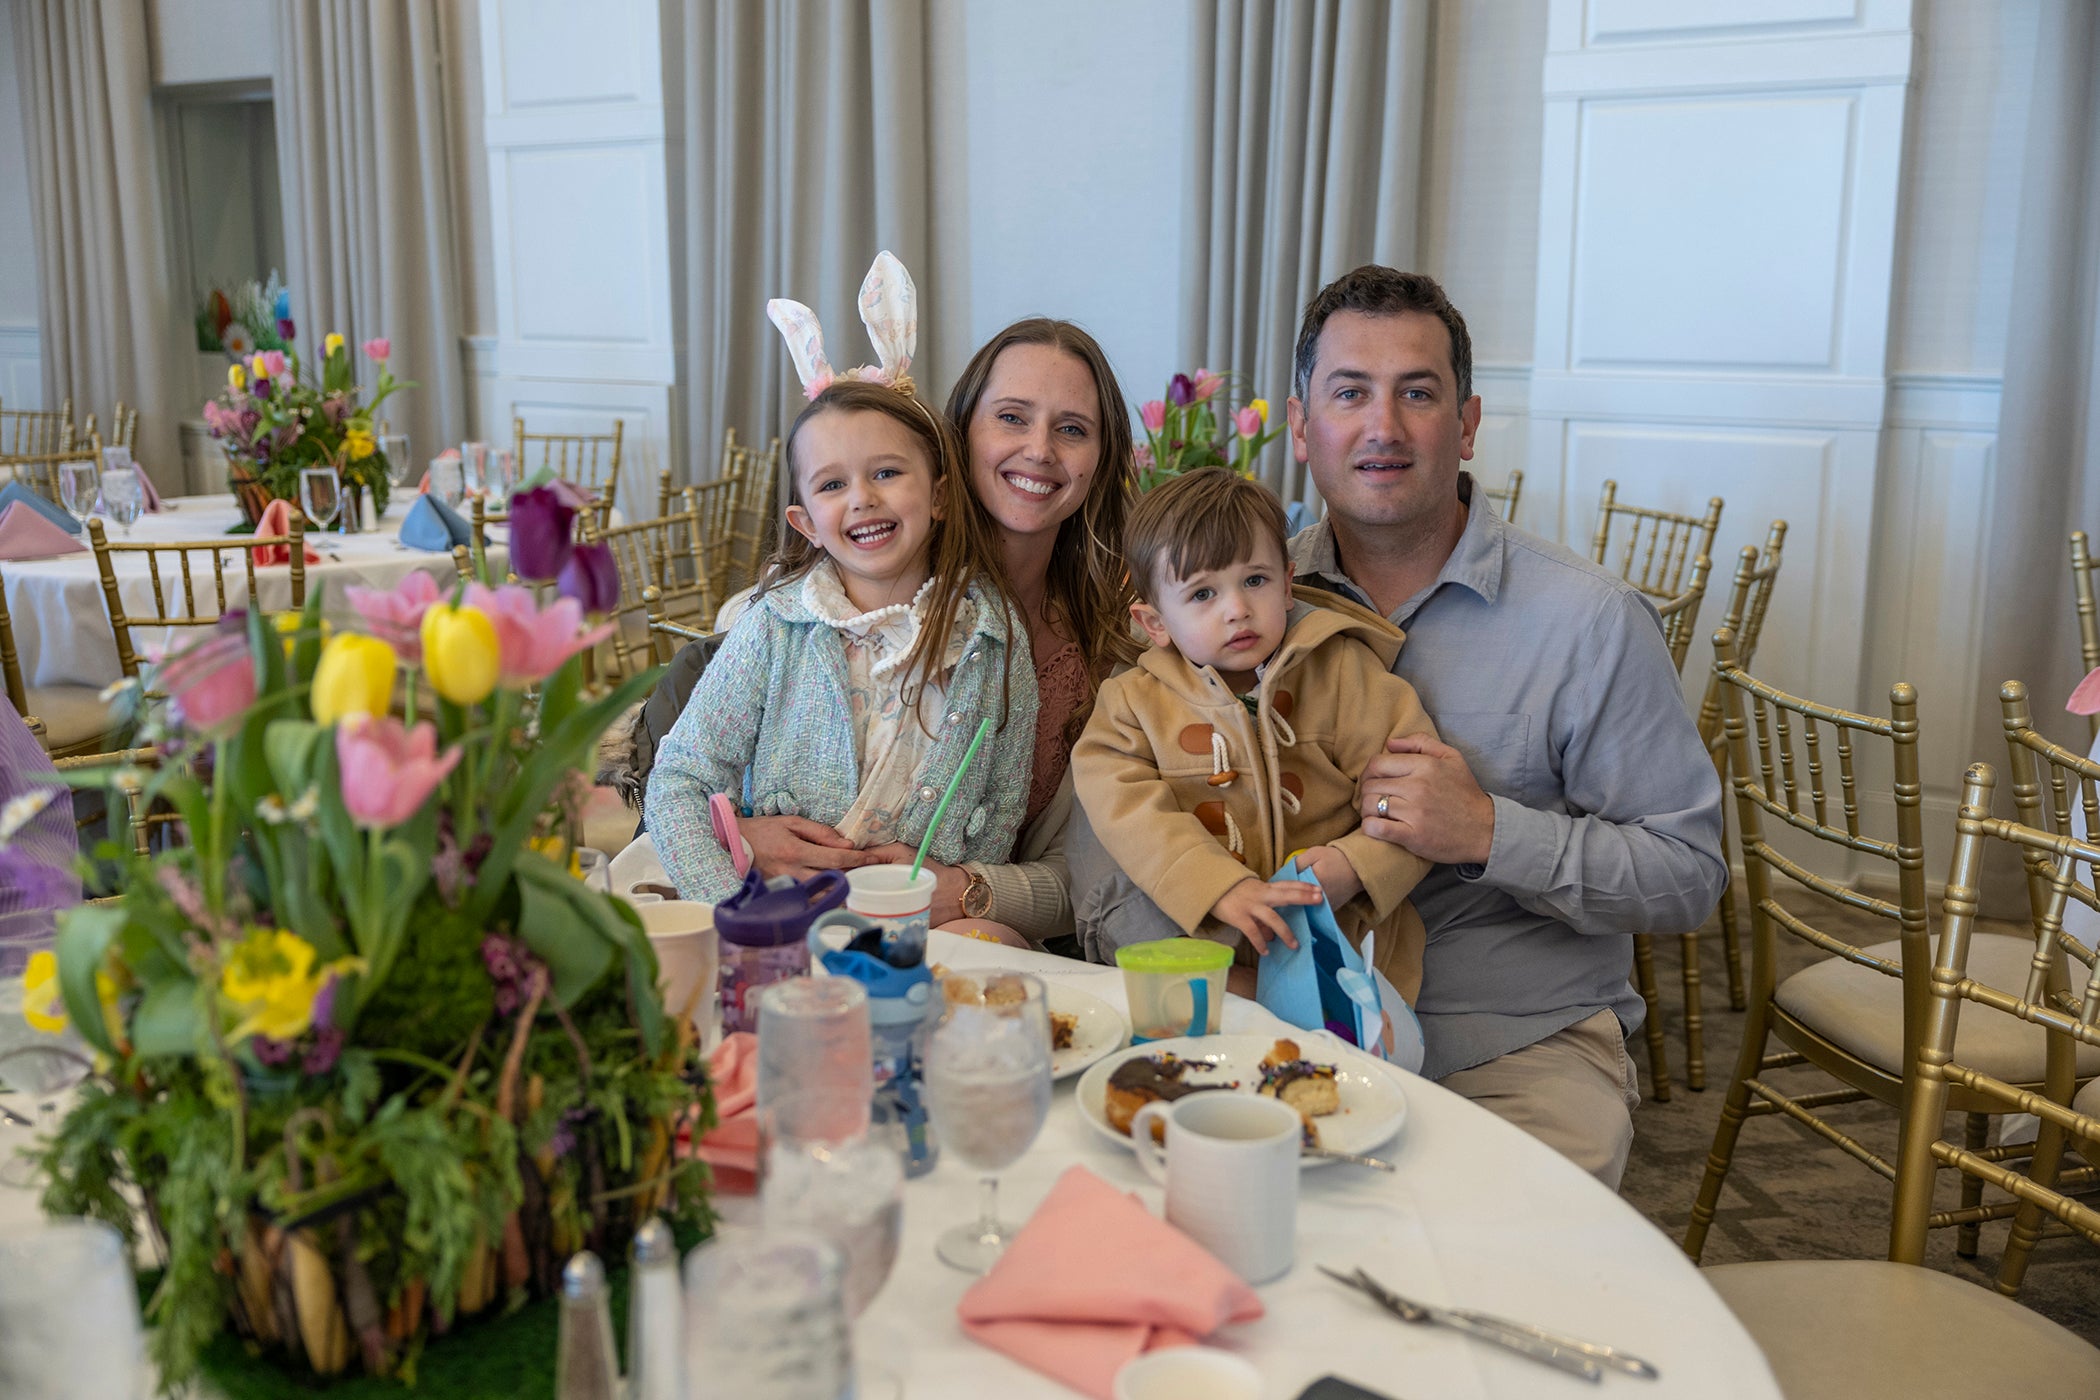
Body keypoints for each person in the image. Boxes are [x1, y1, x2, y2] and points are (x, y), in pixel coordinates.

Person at [1281, 266, 1725, 1187]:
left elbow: (1690, 877)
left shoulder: (1589, 621)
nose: (1383, 427)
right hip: (1288, 1027)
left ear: (1468, 423)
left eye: (1419, 393)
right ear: (1300, 428)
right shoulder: (1251, 608)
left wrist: (1488, 833)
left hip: (1514, 1048)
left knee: (1504, 1280)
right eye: (1350, 393)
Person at [725, 318, 1140, 944]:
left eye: (1073, 430)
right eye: (1011, 417)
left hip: (969, 945)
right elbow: (688, 782)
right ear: (958, 435)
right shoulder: (824, 604)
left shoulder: (1117, 649)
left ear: (1102, 459)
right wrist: (743, 836)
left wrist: (974, 890)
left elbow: (1093, 882)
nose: (1040, 450)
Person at [643, 371, 1038, 903]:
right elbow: (679, 780)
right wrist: (733, 907)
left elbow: (1004, 800)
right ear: (805, 523)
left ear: (939, 496)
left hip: (925, 925)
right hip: (779, 914)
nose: (862, 498)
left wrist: (947, 902)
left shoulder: (994, 635)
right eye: (833, 484)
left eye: (887, 472)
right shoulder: (771, 628)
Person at [1070, 468, 1434, 1005]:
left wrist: (1355, 865)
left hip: (1339, 938)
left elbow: (1416, 797)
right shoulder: (1131, 705)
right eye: (1202, 594)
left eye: (1255, 581)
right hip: (1197, 938)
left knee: (1341, 1071)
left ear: (1288, 585)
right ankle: (1242, 1001)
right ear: (1155, 623)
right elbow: (1130, 816)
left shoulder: (1344, 673)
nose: (1236, 608)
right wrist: (1220, 888)